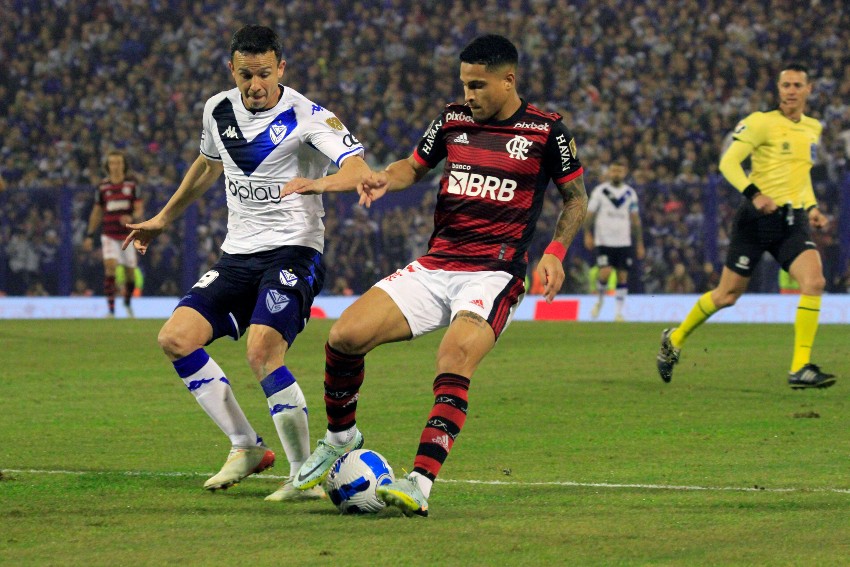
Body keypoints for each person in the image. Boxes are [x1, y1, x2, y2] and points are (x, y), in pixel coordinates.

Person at [287, 34, 588, 516]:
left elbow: (575, 198)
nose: (468, 95)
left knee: (453, 357)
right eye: (464, 84)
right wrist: (387, 176)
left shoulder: (546, 130)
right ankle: (341, 437)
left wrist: (555, 250)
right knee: (344, 336)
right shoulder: (452, 120)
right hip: (436, 265)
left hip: (493, 275)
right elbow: (413, 167)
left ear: (508, 80)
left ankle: (419, 484)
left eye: (478, 85)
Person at [122, 25, 370, 501]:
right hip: (237, 254)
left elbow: (357, 170)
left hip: (294, 251)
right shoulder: (218, 108)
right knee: (176, 338)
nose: (254, 85)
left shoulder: (311, 118)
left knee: (261, 352)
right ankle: (246, 446)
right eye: (244, 74)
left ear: (281, 68)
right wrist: (163, 218)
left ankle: (303, 475)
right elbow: (208, 165)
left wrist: (316, 185)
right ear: (230, 70)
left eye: (262, 74)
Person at [656, 63, 835, 389]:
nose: (791, 91)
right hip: (755, 222)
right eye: (786, 85)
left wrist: (812, 208)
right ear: (779, 90)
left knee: (814, 280)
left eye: (797, 85)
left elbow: (801, 176)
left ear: (809, 90)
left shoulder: (813, 128)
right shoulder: (760, 122)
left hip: (791, 222)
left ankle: (799, 368)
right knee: (726, 295)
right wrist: (754, 194)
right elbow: (728, 162)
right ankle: (675, 338)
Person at [82, 150, 143, 317]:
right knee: (110, 267)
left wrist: (131, 216)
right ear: (107, 166)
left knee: (130, 273)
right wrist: (89, 234)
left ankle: (128, 302)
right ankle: (111, 310)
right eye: (112, 163)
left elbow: (139, 209)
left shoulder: (132, 185)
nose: (115, 166)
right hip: (109, 234)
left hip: (128, 236)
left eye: (118, 163)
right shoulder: (102, 187)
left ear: (124, 165)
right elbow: (97, 212)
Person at [583, 158, 644, 321]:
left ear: (624, 173)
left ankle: (619, 312)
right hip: (604, 241)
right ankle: (599, 301)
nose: (616, 173)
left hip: (623, 241)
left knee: (622, 276)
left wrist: (639, 243)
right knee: (605, 272)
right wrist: (587, 233)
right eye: (613, 170)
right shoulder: (600, 191)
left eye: (619, 171)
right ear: (609, 172)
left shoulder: (630, 193)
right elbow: (590, 215)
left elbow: (635, 219)